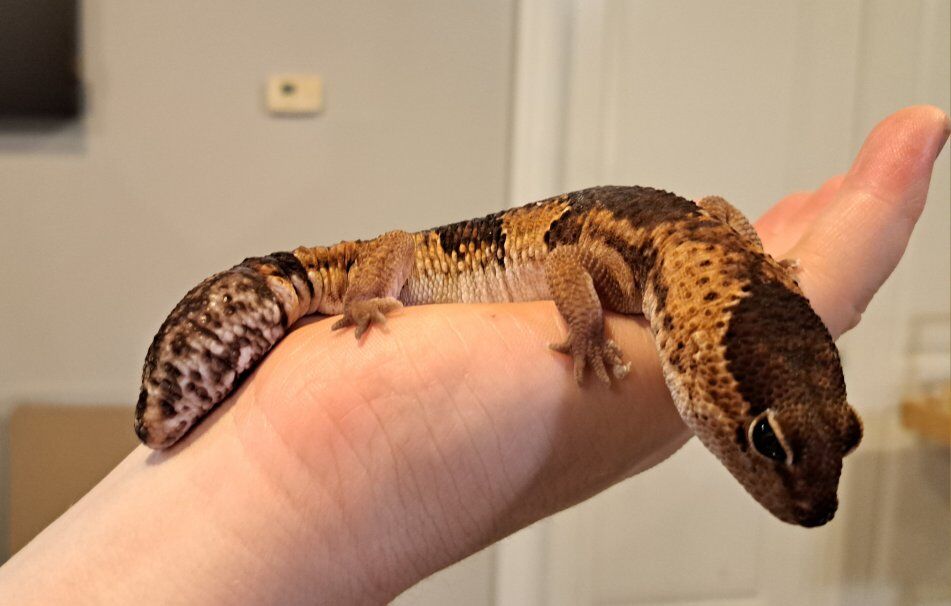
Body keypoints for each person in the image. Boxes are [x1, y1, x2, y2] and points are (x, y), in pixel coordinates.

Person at [0, 106, 947, 604]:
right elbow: (578, 255)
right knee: (201, 382)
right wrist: (581, 333)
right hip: (447, 256)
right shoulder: (635, 269)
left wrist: (756, 263)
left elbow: (718, 219)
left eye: (829, 439)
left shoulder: (699, 276)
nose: (802, 487)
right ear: (701, 359)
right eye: (768, 442)